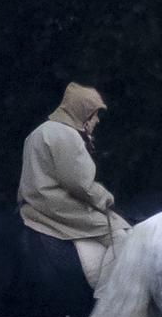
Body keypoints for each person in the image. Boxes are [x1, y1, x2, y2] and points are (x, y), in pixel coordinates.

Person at [18, 82, 130, 296]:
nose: (96, 121)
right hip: (59, 207)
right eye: (95, 115)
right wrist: (105, 198)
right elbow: (78, 184)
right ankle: (107, 296)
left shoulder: (38, 132)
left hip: (32, 205)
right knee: (121, 235)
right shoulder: (66, 135)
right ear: (83, 112)